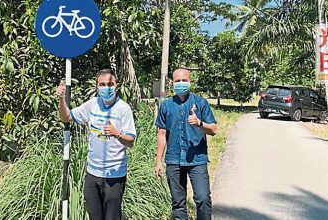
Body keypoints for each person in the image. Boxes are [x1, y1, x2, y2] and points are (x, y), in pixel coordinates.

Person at [56, 69, 136, 220]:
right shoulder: (92, 104)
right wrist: (61, 99)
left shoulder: (124, 109)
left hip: (114, 175)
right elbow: (66, 117)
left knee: (112, 217)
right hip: (92, 173)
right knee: (94, 216)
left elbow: (130, 141)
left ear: (116, 86)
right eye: (102, 84)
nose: (107, 88)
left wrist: (117, 133)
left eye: (110, 84)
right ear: (97, 87)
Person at [155, 68, 217, 220]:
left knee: (203, 198)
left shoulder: (200, 103)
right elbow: (162, 134)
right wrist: (158, 161)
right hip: (173, 159)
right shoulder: (166, 106)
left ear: (190, 82)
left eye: (184, 80)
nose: (181, 84)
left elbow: (213, 129)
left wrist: (199, 123)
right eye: (177, 81)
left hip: (197, 160)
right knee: (178, 202)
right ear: (172, 84)